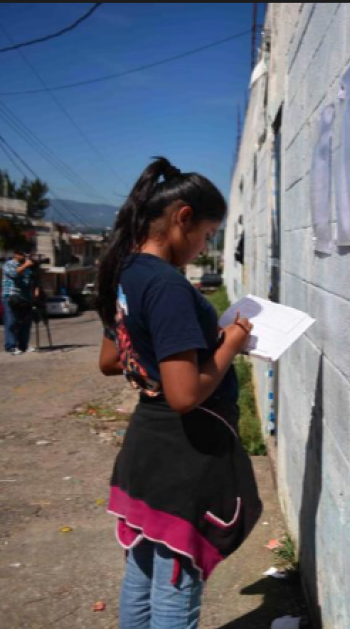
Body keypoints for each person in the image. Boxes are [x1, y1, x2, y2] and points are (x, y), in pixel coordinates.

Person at [96, 157, 262, 629]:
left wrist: (164, 354)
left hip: (146, 448)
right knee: (175, 580)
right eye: (208, 234)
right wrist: (230, 344)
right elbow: (185, 394)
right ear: (182, 217)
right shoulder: (167, 285)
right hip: (181, 453)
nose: (205, 245)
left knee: (145, 568)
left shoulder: (122, 271)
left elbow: (111, 361)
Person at [1, 248, 37, 355]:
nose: (26, 256)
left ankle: (23, 345)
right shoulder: (9, 264)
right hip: (11, 296)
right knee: (12, 322)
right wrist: (26, 265)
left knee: (25, 323)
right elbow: (14, 274)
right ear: (16, 254)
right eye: (23, 254)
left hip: (25, 297)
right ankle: (11, 346)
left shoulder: (28, 267)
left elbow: (31, 280)